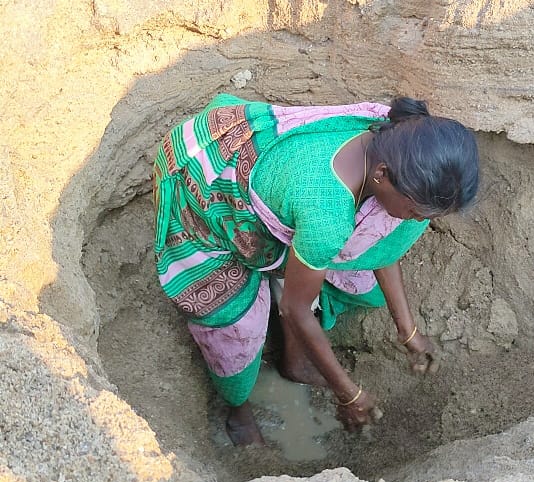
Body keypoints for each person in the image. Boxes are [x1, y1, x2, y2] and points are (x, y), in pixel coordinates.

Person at [152, 93, 480, 446]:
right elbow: (294, 308)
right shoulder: (327, 212)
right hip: (205, 184)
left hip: (287, 186)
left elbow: (383, 243)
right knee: (234, 330)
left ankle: (294, 361)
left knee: (361, 285)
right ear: (382, 176)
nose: (418, 222)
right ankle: (238, 408)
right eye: (417, 212)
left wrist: (408, 331)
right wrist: (349, 395)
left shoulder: (399, 138)